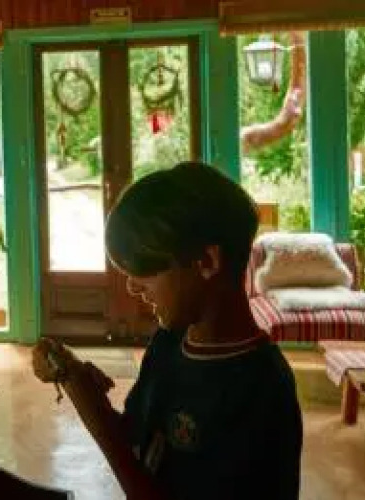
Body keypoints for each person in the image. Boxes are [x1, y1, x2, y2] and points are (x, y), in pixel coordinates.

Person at [32, 162, 302, 500]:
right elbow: (139, 442)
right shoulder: (169, 343)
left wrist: (94, 415)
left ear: (207, 262)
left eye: (144, 269)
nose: (132, 286)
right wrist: (80, 382)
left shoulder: (260, 387)